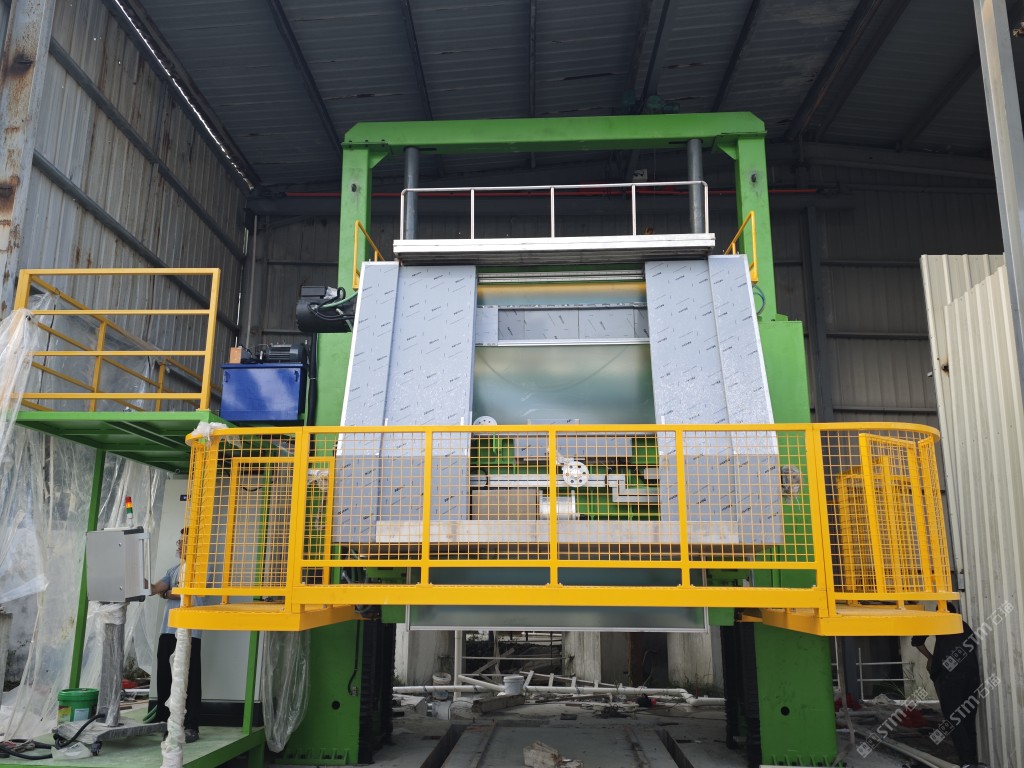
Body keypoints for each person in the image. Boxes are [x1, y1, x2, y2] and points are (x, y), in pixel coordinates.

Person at [912, 609, 983, 767]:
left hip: (952, 677)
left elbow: (917, 641)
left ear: (940, 613)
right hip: (972, 676)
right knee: (968, 719)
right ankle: (971, 761)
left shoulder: (938, 622)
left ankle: (967, 762)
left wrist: (931, 658)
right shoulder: (964, 626)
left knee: (953, 719)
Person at [150, 528, 202, 743]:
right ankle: (163, 718)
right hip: (168, 629)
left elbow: (187, 592)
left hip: (190, 630)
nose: (180, 546)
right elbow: (155, 588)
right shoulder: (174, 570)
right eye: (179, 542)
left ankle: (191, 725)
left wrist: (166, 593)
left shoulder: (201, 568)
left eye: (184, 542)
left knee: (190, 678)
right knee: (165, 673)